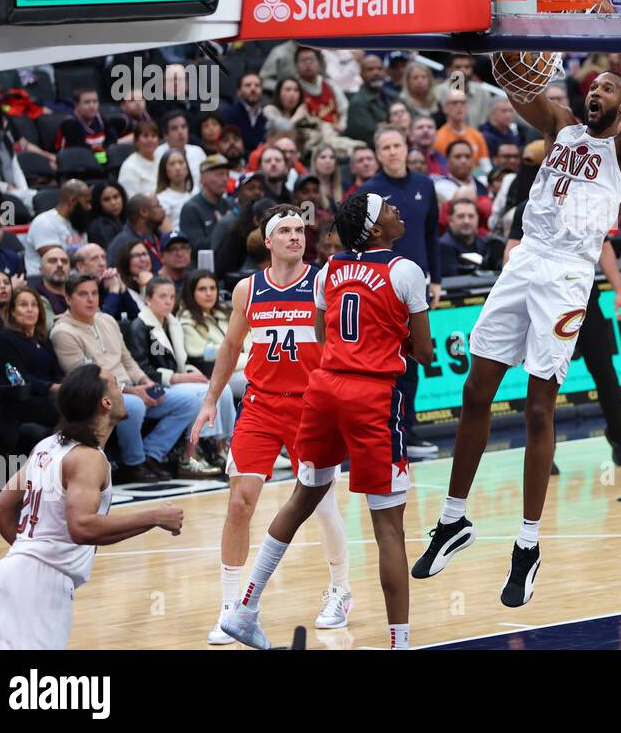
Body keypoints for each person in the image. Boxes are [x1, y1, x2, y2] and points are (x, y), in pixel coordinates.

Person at [412, 47, 621, 607]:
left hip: (568, 276)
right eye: (592, 86)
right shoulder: (563, 126)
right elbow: (522, 94)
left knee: (538, 408)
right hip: (526, 260)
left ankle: (527, 545)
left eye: (607, 89)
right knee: (476, 391)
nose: (596, 92)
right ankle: (453, 521)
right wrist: (503, 53)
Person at [222, 194, 431, 650]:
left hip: (322, 390)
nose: (398, 212)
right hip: (370, 397)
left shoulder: (332, 268)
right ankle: (400, 642)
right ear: (376, 229)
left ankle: (245, 609)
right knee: (389, 528)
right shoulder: (405, 271)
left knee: (304, 500)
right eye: (389, 209)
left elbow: (322, 333)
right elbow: (425, 352)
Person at [188, 206, 353, 644]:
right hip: (260, 405)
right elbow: (230, 345)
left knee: (320, 507)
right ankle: (230, 606)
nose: (296, 237)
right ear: (268, 240)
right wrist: (209, 400)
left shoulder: (322, 281)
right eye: (286, 231)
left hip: (312, 406)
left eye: (301, 230)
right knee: (240, 503)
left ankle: (340, 591)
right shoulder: (248, 289)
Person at [0, 365, 184, 648]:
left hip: (9, 573)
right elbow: (82, 526)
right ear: (105, 403)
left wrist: (27, 556)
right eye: (116, 385)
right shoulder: (88, 458)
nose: (121, 390)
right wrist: (154, 516)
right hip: (39, 585)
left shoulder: (45, 446)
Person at [50, 273, 202, 483]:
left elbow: (127, 359)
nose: (91, 299)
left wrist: (146, 383)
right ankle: (133, 464)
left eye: (94, 293)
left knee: (190, 401)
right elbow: (85, 379)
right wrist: (131, 391)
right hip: (98, 395)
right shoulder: (62, 332)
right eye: (83, 294)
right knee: (135, 405)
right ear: (68, 299)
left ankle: (152, 454)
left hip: (130, 388)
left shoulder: (107, 320)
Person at [358, 128, 441, 458]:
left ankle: (409, 428)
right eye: (385, 147)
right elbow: (360, 243)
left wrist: (436, 280)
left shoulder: (425, 185)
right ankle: (385, 429)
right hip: (382, 288)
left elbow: (432, 233)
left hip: (417, 287)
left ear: (406, 150)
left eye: (397, 146)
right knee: (385, 362)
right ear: (377, 154)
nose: (392, 152)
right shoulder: (369, 192)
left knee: (414, 358)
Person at [125, 276, 230, 474]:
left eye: (172, 297)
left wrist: (191, 372)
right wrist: (177, 377)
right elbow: (140, 369)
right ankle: (190, 454)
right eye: (162, 296)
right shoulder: (140, 327)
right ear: (148, 299)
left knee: (221, 389)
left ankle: (220, 447)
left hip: (174, 381)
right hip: (153, 386)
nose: (168, 301)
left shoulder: (172, 323)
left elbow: (181, 362)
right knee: (201, 395)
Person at [0, 286, 63, 453]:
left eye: (34, 305)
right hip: (22, 401)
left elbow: (57, 372)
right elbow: (18, 377)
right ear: (12, 311)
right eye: (23, 305)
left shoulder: (43, 339)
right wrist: (51, 387)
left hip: (48, 397)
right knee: (69, 407)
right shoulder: (6, 339)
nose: (30, 309)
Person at [24, 180, 91, 276]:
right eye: (86, 202)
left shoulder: (77, 222)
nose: (89, 207)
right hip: (45, 284)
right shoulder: (44, 222)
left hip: (74, 282)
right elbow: (57, 259)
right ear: (73, 201)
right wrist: (90, 258)